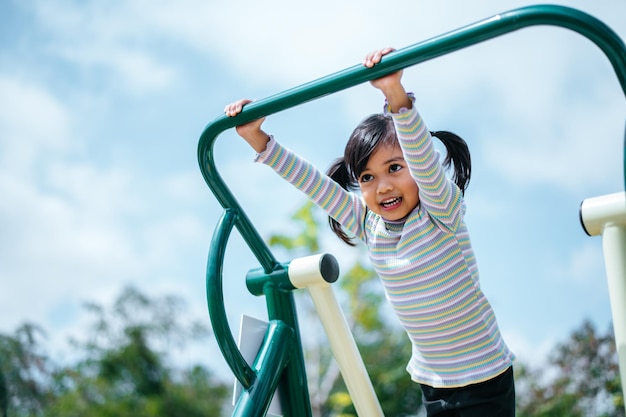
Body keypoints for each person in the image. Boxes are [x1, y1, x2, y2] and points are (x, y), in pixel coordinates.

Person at [225, 47, 515, 417]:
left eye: (395, 168)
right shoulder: (368, 223)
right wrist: (257, 138)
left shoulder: (441, 212)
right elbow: (314, 184)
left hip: (485, 378)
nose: (382, 187)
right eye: (366, 177)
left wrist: (395, 95)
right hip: (433, 381)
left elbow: (423, 160)